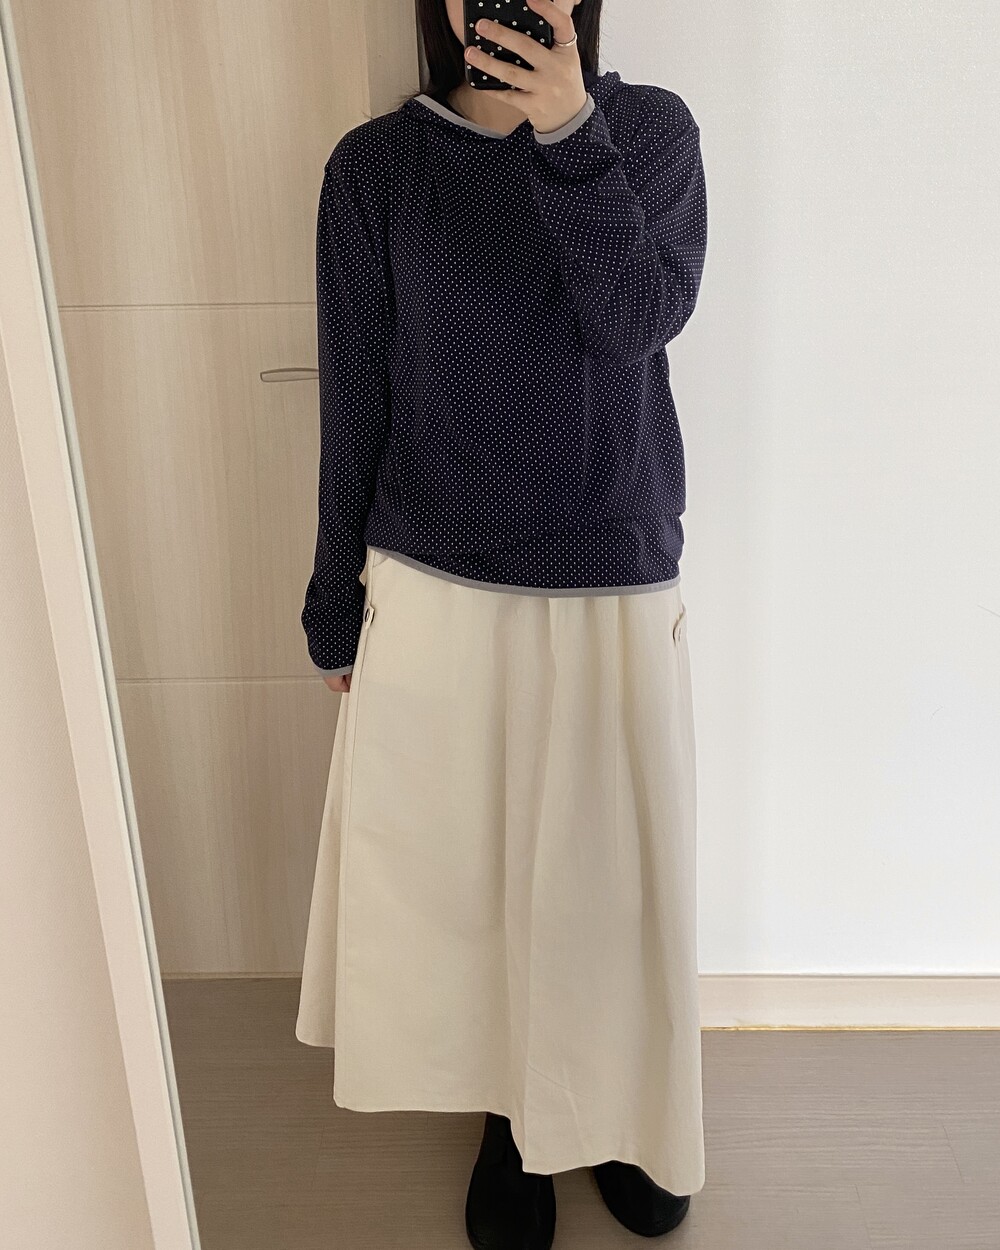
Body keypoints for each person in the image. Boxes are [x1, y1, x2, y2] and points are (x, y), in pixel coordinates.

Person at [294, 0, 708, 1245]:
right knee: (468, 884)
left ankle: (622, 1113)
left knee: (612, 885)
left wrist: (570, 131)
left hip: (609, 573)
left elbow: (636, 320)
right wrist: (332, 600)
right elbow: (354, 390)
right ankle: (511, 1121)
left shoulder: (649, 134)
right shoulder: (378, 167)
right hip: (437, 578)